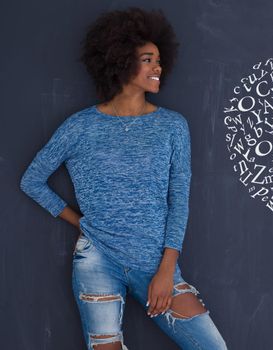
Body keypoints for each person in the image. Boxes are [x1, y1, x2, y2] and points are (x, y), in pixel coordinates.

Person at [19, 7, 227, 350]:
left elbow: (179, 199)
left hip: (156, 263)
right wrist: (79, 222)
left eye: (159, 60)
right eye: (148, 59)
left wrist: (165, 270)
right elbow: (32, 180)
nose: (158, 67)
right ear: (120, 61)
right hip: (97, 260)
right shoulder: (80, 127)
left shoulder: (173, 126)